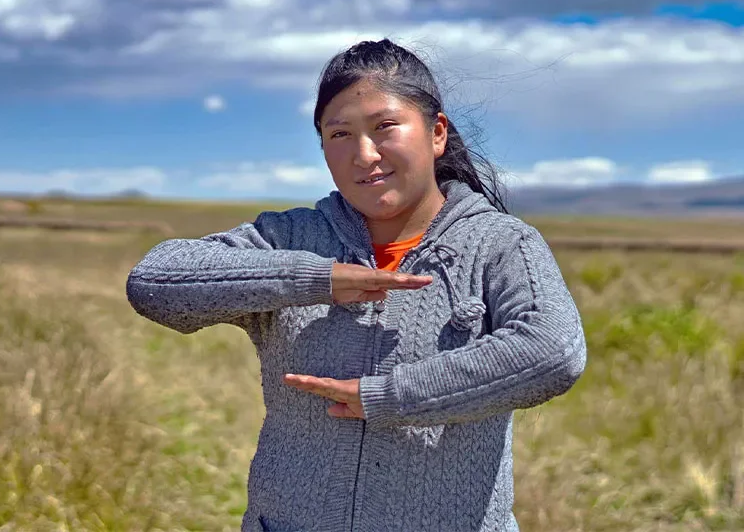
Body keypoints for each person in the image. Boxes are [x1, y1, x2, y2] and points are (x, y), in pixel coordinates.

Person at [126, 39, 587, 532]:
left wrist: (390, 397)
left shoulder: (500, 243)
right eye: (340, 133)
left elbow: (555, 351)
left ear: (436, 132)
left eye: (385, 126)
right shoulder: (290, 237)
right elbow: (155, 281)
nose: (364, 155)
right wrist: (312, 278)